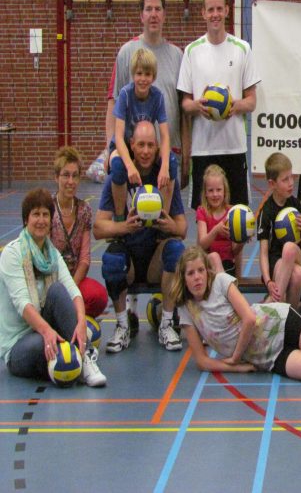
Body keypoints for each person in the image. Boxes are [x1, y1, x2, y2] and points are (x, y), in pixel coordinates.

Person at [173, 246, 301, 380]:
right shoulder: (186, 308)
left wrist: (235, 357)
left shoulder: (220, 282)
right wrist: (238, 368)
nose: (197, 277)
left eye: (201, 271)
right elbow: (201, 360)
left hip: (278, 323)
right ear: (183, 278)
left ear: (207, 273)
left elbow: (249, 318)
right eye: (191, 273)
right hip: (267, 357)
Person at [94, 121, 188, 354]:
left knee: (177, 250)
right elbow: (98, 228)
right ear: (132, 146)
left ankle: (166, 324)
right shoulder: (118, 179)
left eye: (151, 146)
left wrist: (169, 224)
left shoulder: (164, 179)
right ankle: (122, 325)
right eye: (141, 145)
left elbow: (183, 228)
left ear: (157, 149)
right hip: (130, 260)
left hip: (155, 258)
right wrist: (124, 227)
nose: (146, 151)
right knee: (112, 261)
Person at [0, 189, 106, 387]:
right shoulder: (12, 254)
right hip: (18, 345)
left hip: (43, 328)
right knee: (48, 344)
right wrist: (47, 331)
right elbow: (23, 304)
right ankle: (68, 360)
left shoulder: (52, 254)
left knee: (57, 290)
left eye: (45, 215)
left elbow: (73, 291)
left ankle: (85, 358)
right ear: (26, 220)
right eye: (35, 214)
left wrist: (82, 322)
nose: (41, 220)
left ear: (51, 220)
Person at [178, 0, 260, 209]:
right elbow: (184, 103)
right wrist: (197, 105)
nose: (215, 14)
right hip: (203, 149)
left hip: (234, 147)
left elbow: (252, 101)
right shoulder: (192, 51)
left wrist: (235, 105)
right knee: (205, 215)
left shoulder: (242, 48)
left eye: (219, 9)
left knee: (238, 217)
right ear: (203, 13)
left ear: (227, 10)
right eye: (210, 9)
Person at [105, 0, 189, 187]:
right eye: (148, 9)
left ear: (164, 15)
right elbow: (113, 104)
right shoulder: (126, 52)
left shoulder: (177, 55)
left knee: (166, 216)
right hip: (133, 156)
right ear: (141, 15)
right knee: (130, 216)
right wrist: (111, 150)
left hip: (166, 157)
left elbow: (184, 112)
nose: (153, 14)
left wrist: (186, 156)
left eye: (158, 9)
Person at [109, 48, 174, 219]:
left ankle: (164, 216)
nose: (143, 79)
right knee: (117, 167)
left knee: (172, 163)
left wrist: (165, 167)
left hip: (143, 145)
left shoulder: (157, 96)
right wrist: (130, 165)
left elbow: (165, 135)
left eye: (147, 74)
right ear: (133, 75)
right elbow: (118, 136)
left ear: (153, 76)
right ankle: (120, 218)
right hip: (124, 146)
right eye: (139, 74)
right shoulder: (125, 95)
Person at [51, 146, 108, 318]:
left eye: (75, 175)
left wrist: (72, 289)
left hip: (75, 280)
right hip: (51, 281)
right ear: (56, 177)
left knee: (98, 296)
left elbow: (84, 259)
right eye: (65, 175)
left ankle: (68, 316)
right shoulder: (48, 209)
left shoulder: (84, 210)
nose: (71, 181)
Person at [257, 152, 301, 308]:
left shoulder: (297, 205)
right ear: (272, 184)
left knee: (289, 248)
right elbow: (263, 252)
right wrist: (267, 280)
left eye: (292, 177)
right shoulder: (266, 212)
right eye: (285, 179)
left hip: (297, 256)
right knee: (298, 275)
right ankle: (289, 319)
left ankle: (271, 307)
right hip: (276, 263)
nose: (291, 183)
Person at [196, 164, 240, 276]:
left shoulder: (232, 212)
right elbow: (202, 244)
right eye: (210, 190)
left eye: (219, 190)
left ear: (225, 191)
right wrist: (216, 230)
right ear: (205, 193)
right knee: (214, 257)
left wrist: (242, 240)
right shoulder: (202, 211)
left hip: (228, 266)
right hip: (208, 268)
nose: (215, 194)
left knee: (227, 267)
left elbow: (235, 251)